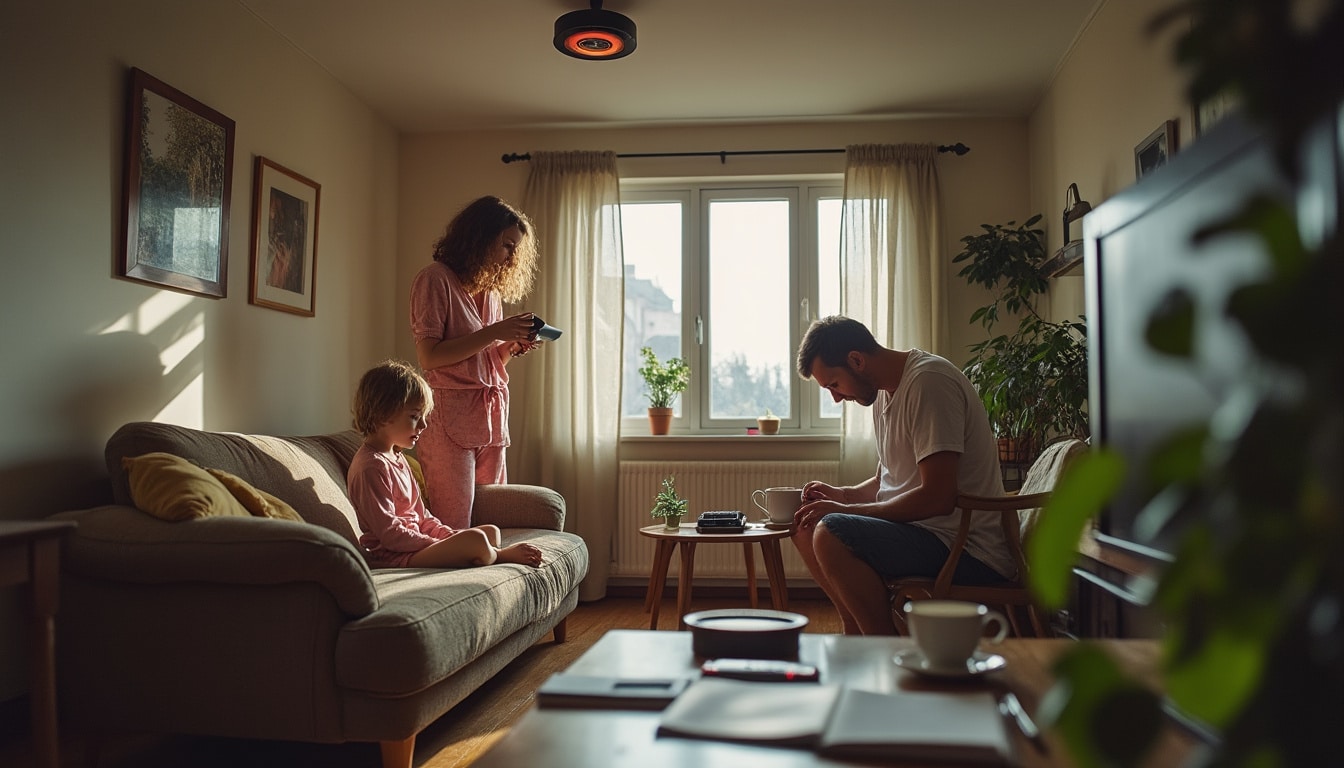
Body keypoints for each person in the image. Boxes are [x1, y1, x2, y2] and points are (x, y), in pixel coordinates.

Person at [791, 316, 1011, 635]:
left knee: (830, 532)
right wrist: (842, 495)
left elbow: (938, 497)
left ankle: (881, 644)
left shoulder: (929, 382)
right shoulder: (882, 393)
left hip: (964, 547)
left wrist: (846, 510)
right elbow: (888, 481)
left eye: (834, 385)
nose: (836, 398)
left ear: (856, 360)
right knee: (805, 525)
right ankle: (854, 629)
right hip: (920, 532)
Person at [409, 195, 541, 528]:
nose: (511, 256)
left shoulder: (491, 293)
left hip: (490, 420)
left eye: (515, 249)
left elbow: (481, 361)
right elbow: (430, 357)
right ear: (480, 238)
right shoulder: (435, 280)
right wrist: (495, 331)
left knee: (492, 519)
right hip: (449, 421)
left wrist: (508, 347)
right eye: (507, 246)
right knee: (455, 525)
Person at [346, 360, 543, 569]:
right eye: (414, 416)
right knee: (477, 541)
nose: (423, 424)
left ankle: (486, 553)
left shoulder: (397, 457)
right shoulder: (371, 467)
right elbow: (390, 535)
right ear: (382, 414)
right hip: (394, 556)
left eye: (423, 416)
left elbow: (423, 517)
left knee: (490, 532)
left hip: (415, 546)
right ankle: (499, 555)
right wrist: (440, 544)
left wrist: (449, 537)